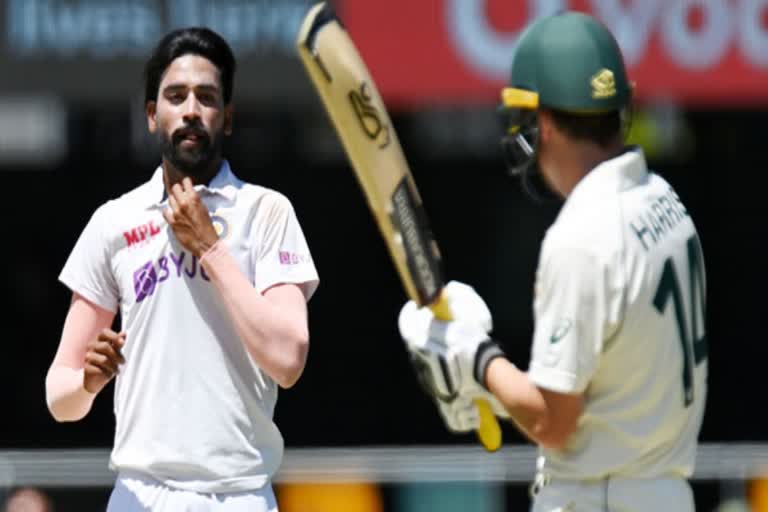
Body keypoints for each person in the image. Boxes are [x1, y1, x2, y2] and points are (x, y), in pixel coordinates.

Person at [398, 11, 707, 512]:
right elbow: (611, 387)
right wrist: (498, 389)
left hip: (602, 498)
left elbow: (553, 422)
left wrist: (474, 356)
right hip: (664, 491)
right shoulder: (664, 200)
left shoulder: (581, 237)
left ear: (541, 122)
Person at [44, 27, 319, 511]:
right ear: (152, 115)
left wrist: (210, 249)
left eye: (207, 97)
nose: (191, 110)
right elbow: (59, 396)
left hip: (240, 494)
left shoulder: (268, 211)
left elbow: (288, 358)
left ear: (227, 117)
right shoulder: (114, 222)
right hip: (141, 493)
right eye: (175, 96)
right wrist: (89, 381)